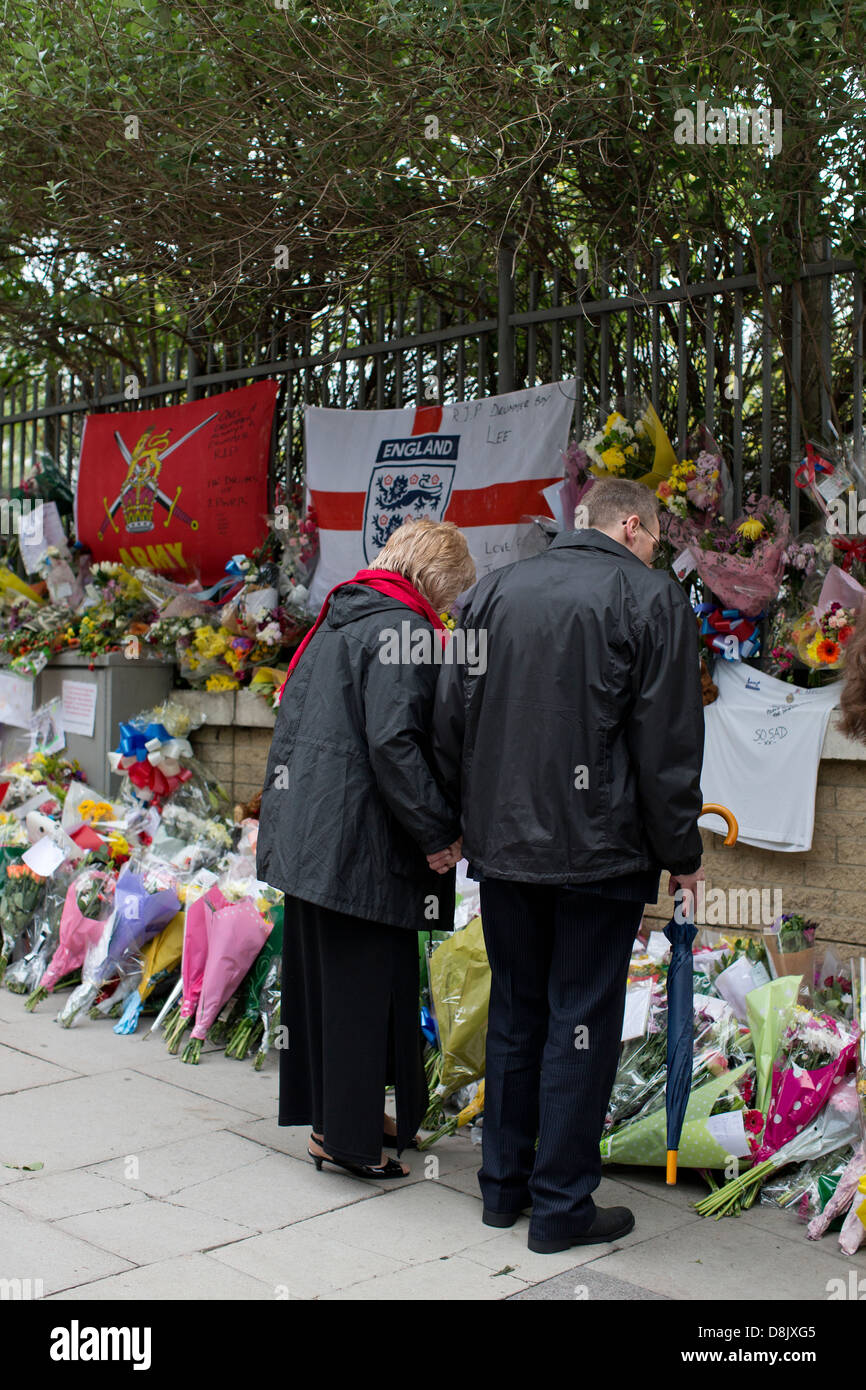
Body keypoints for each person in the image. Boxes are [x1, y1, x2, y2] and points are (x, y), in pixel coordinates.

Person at [433, 477, 706, 1252]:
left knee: (518, 1013)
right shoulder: (651, 599)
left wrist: (464, 822)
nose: (657, 549)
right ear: (631, 524)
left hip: (507, 852)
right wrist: (681, 852)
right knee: (580, 1018)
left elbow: (450, 720)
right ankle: (560, 1208)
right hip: (599, 852)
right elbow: (668, 745)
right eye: (655, 536)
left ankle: (501, 1190)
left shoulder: (493, 593)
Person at [257, 518, 474, 1180]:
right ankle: (344, 1140)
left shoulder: (343, 615)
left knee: (334, 986)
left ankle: (344, 1113)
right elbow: (395, 743)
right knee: (358, 989)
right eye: (451, 593)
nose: (449, 607)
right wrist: (437, 833)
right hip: (358, 841)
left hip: (315, 833)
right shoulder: (403, 630)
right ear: (433, 577)